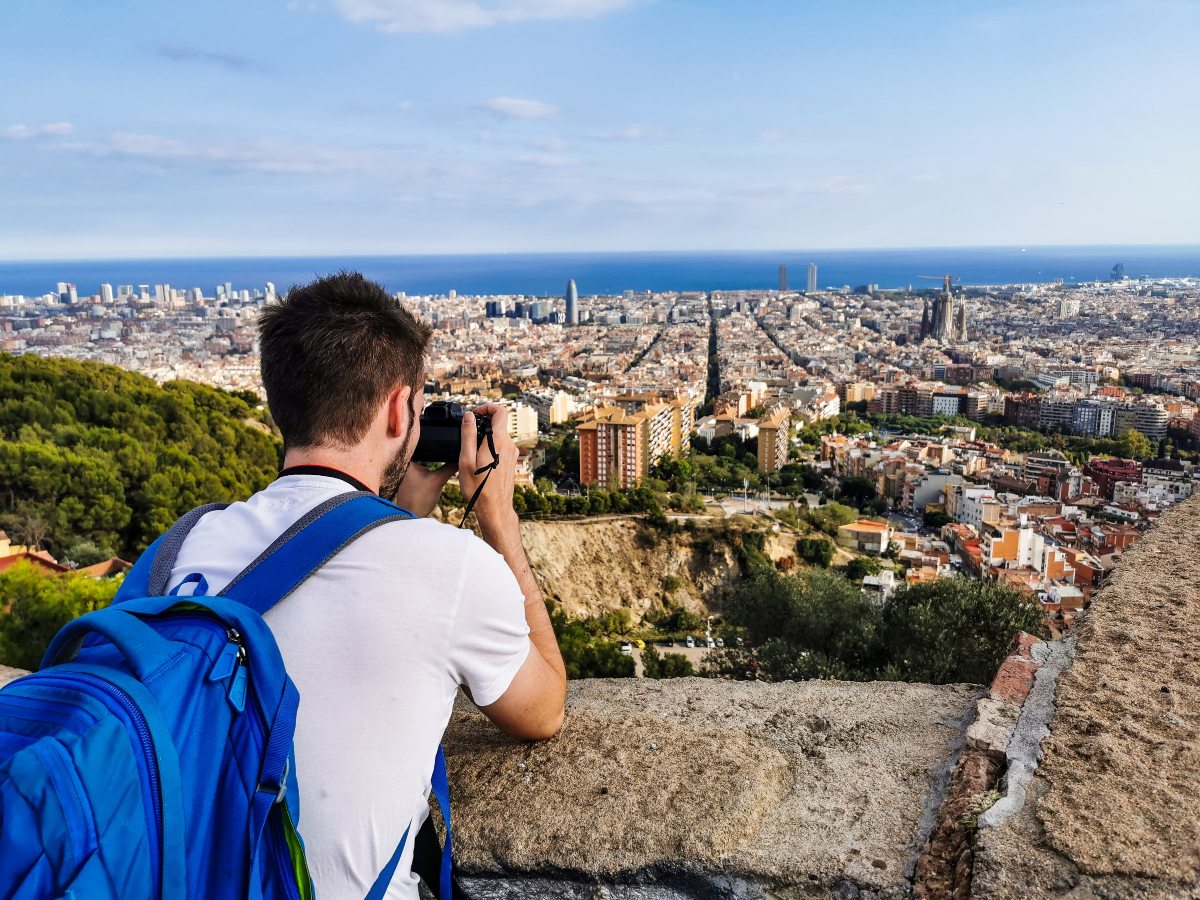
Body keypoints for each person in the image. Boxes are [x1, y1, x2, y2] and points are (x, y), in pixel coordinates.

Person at [166, 272, 567, 898]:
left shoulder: (181, 545)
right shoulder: (452, 566)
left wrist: (395, 516)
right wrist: (499, 520)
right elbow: (543, 710)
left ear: (280, 405)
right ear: (399, 409)